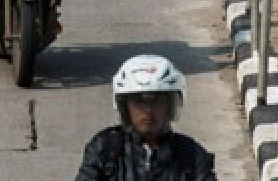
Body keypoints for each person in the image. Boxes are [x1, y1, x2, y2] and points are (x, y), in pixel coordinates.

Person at [75, 54, 216, 181]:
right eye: (138, 102)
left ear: (170, 106)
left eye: (156, 101)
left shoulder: (192, 157)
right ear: (125, 106)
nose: (148, 111)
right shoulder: (106, 148)